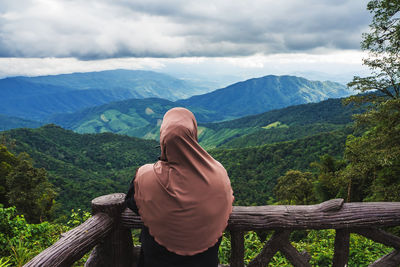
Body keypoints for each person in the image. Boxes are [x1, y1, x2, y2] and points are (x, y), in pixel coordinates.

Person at [125, 107, 234, 267]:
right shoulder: (218, 172)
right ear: (193, 134)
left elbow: (132, 202)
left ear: (163, 139)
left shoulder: (146, 176)